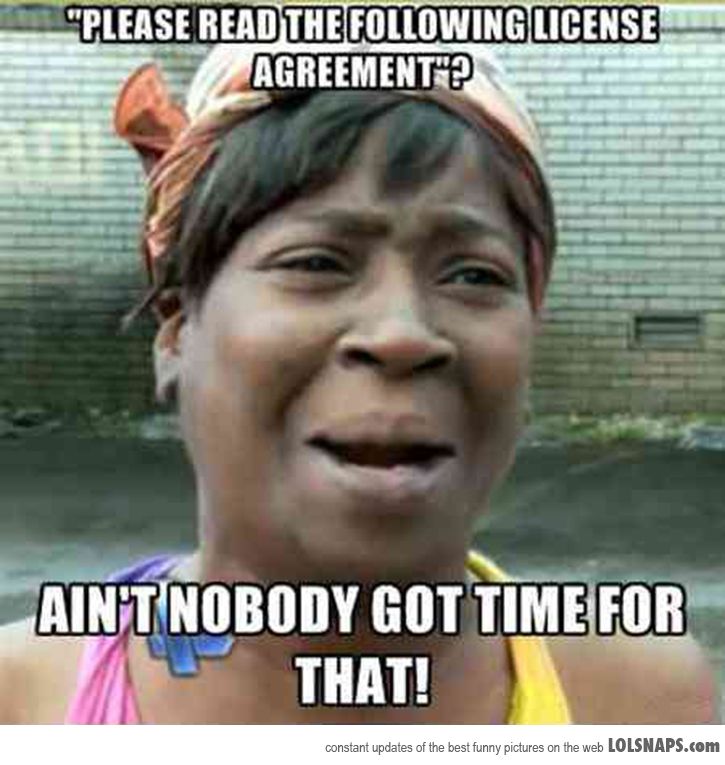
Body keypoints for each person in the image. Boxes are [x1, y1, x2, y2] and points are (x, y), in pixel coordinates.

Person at [0, 43, 718, 724]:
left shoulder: (632, 697)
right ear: (176, 330)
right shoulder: (25, 701)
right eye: (316, 263)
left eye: (474, 274)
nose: (402, 335)